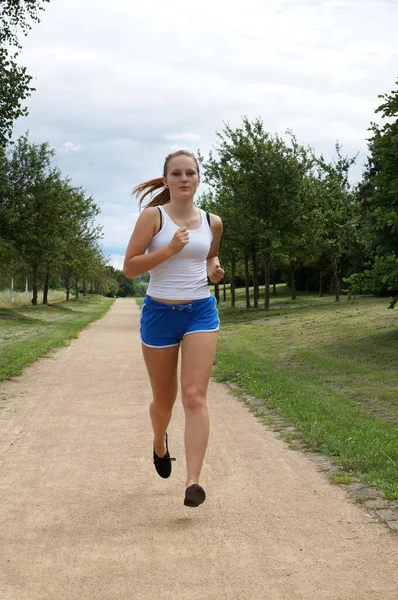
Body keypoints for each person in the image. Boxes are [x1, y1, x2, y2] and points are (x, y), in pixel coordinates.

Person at [123, 150, 224, 508]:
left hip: (200, 311)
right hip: (159, 315)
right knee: (164, 403)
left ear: (199, 179)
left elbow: (210, 255)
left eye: (190, 173)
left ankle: (193, 482)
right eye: (176, 173)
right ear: (166, 180)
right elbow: (130, 268)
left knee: (195, 396)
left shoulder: (213, 222)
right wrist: (168, 250)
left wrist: (214, 269)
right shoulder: (154, 218)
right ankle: (159, 442)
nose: (184, 178)